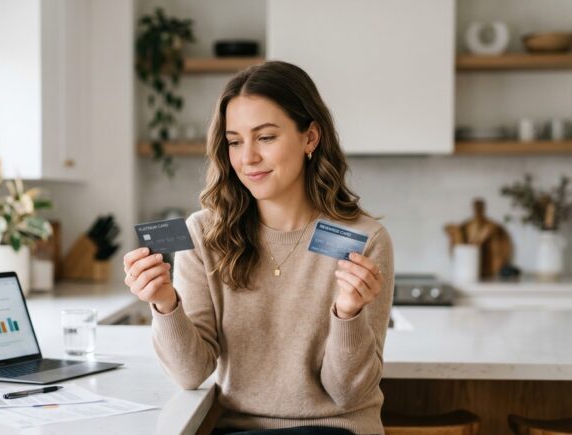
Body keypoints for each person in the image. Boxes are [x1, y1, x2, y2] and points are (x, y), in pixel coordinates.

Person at [123, 61, 394, 435]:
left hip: (336, 430)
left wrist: (347, 314)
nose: (247, 158)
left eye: (265, 137)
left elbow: (348, 395)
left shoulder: (363, 239)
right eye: (235, 141)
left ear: (310, 138)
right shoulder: (203, 233)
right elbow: (190, 375)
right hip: (239, 430)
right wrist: (165, 303)